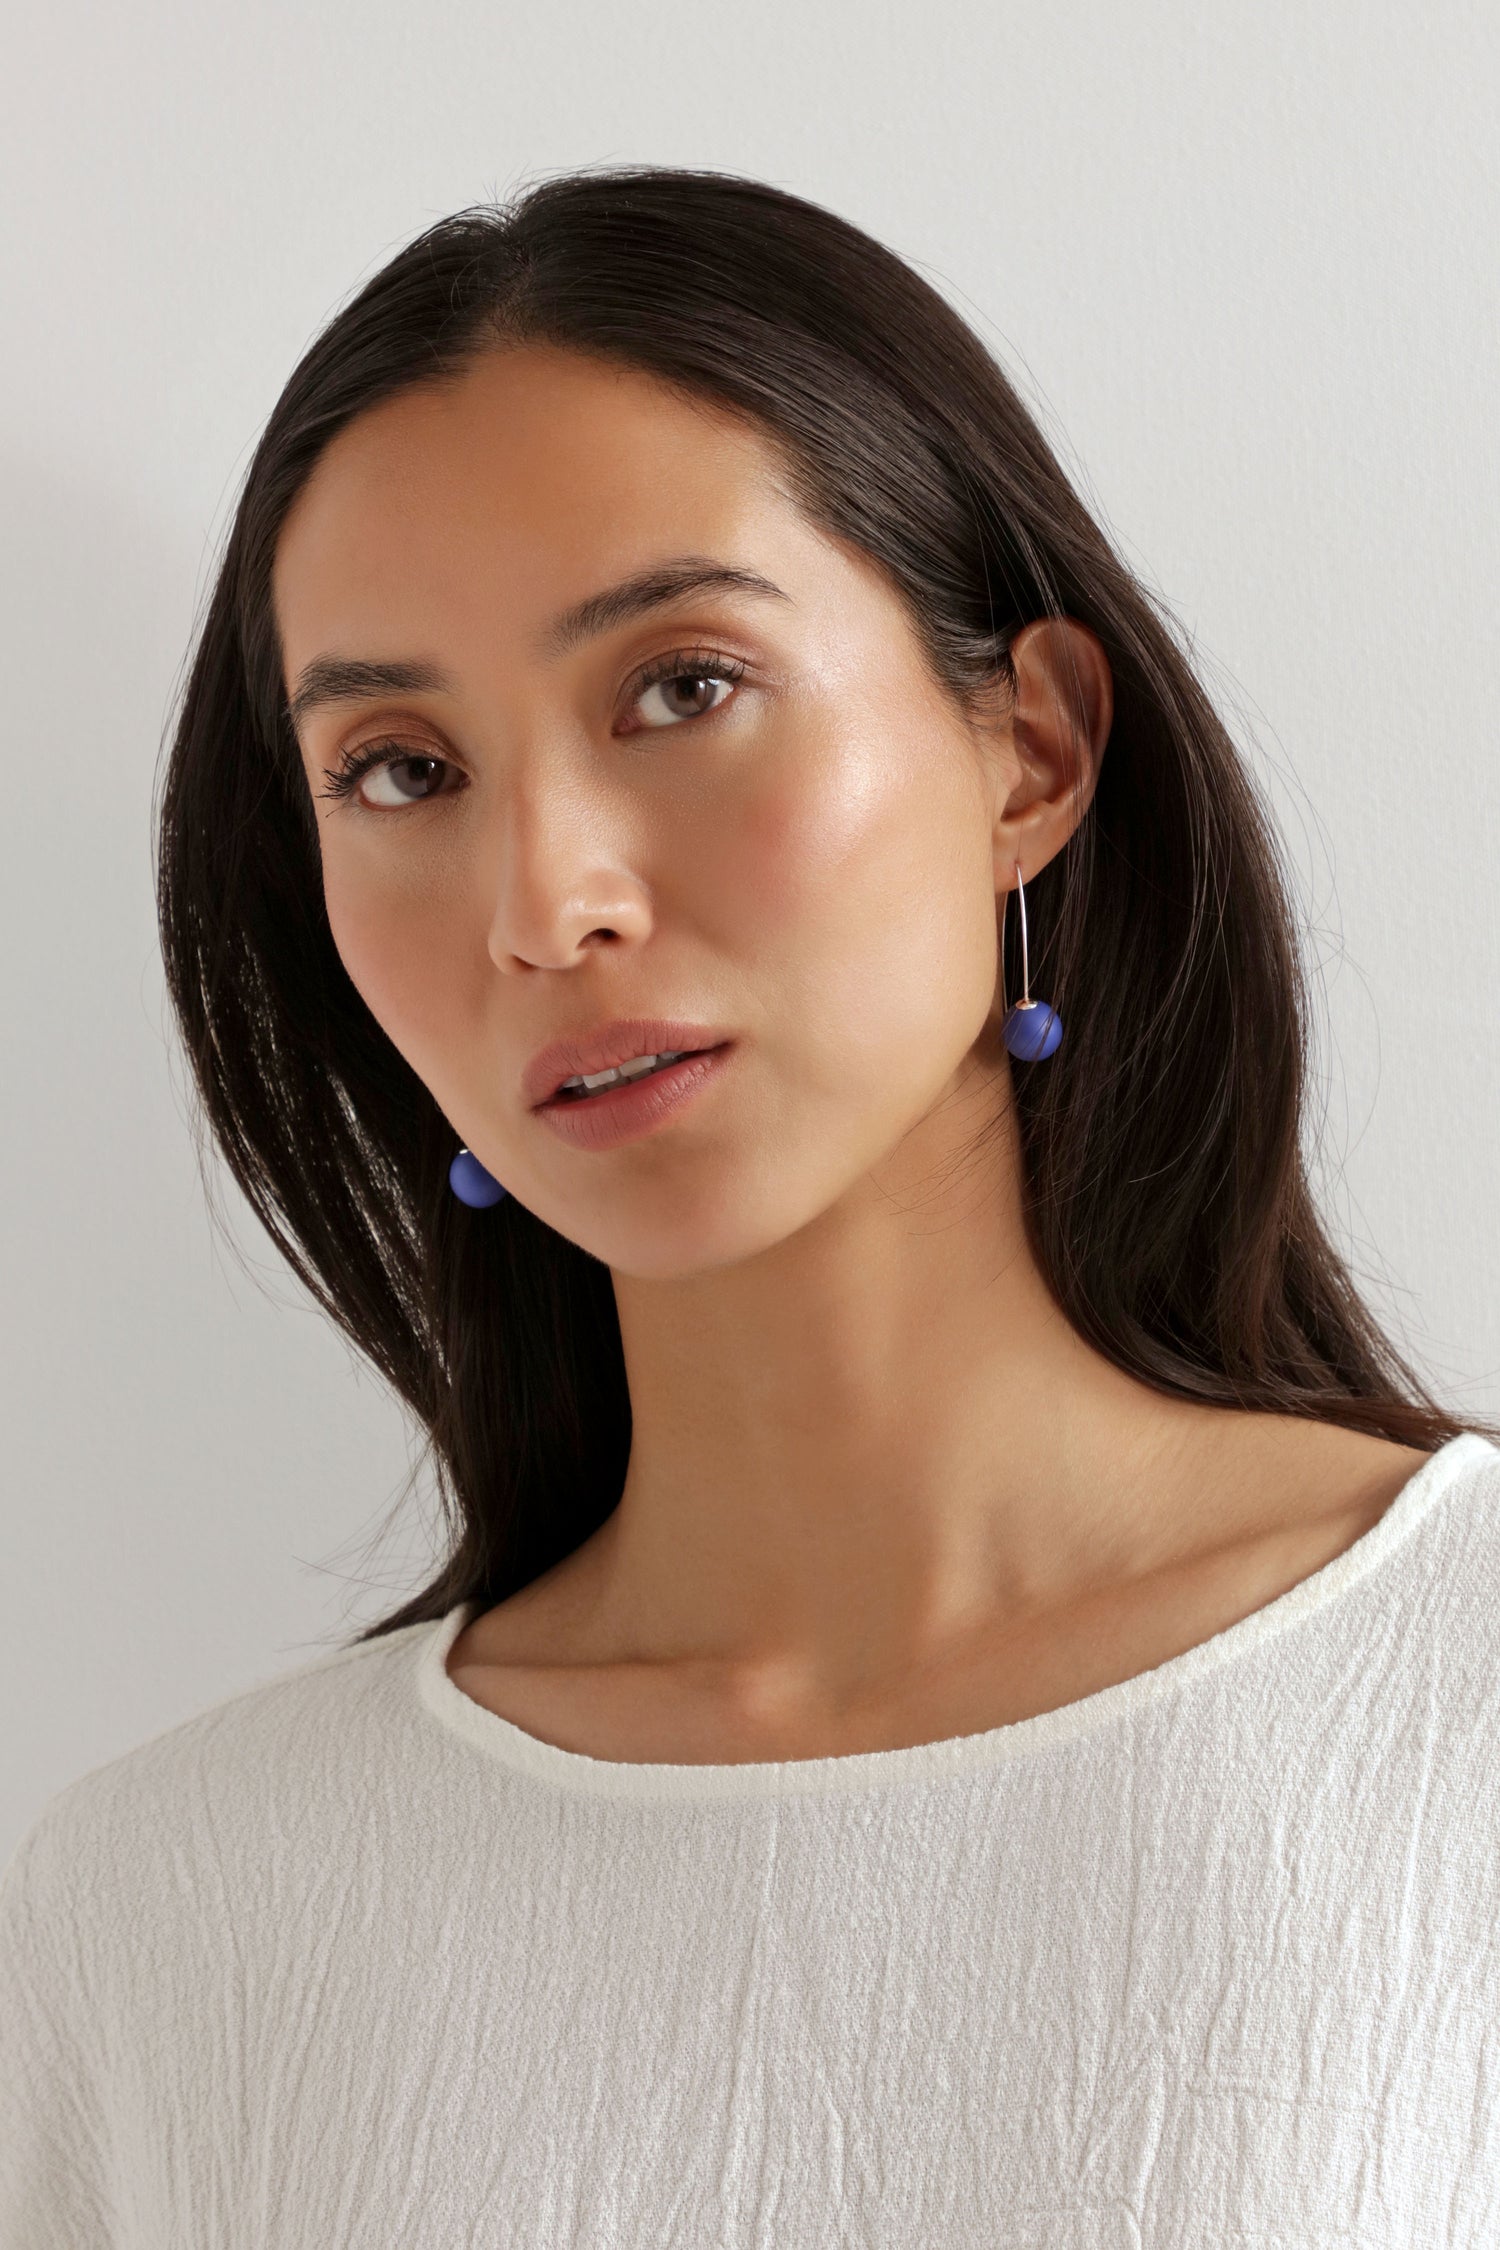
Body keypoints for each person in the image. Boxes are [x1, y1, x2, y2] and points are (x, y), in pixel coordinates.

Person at [3, 164, 1497, 2245]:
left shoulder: (1457, 1714)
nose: (548, 905)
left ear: (1033, 753)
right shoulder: (169, 1925)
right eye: (404, 771)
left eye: (683, 687)